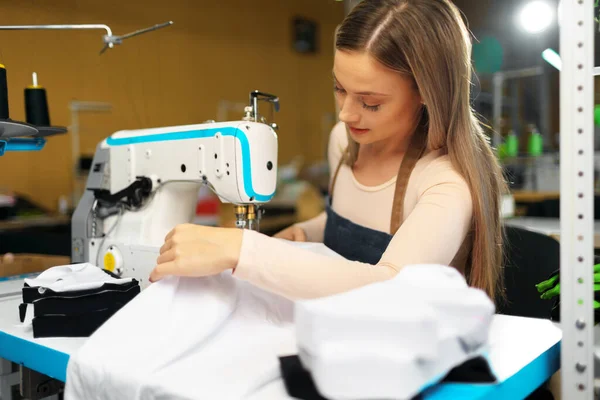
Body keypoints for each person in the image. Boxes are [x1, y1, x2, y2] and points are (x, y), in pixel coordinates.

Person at [149, 0, 507, 304]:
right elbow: (354, 219)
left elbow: (392, 288)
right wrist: (308, 231)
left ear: (428, 93)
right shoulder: (345, 142)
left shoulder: (444, 183)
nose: (346, 114)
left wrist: (244, 250)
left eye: (370, 102)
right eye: (339, 89)